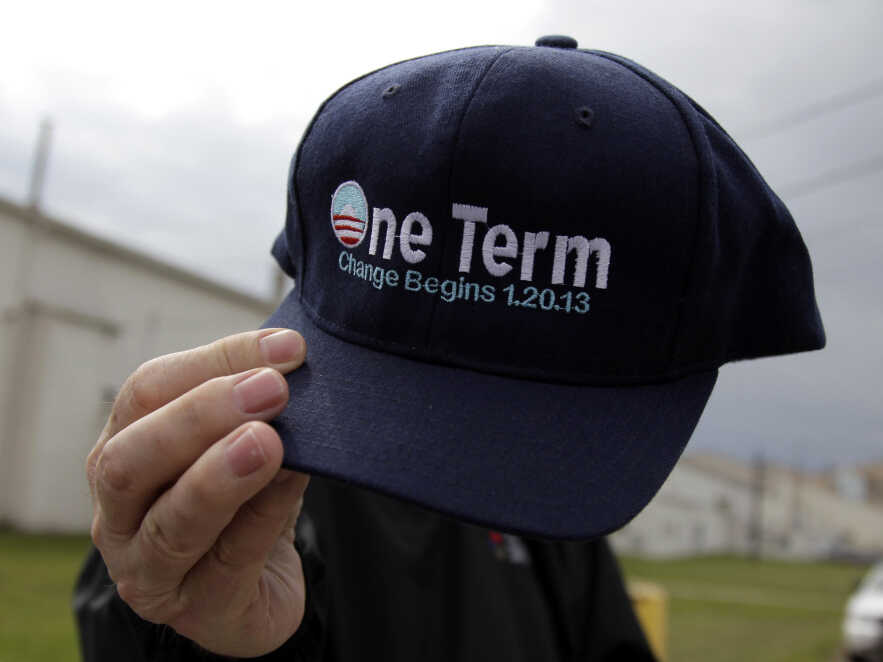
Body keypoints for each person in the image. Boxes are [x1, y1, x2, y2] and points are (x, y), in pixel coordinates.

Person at [74, 35, 825, 661]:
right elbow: (148, 610)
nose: (447, 449)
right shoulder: (242, 473)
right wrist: (194, 637)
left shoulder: (554, 505)